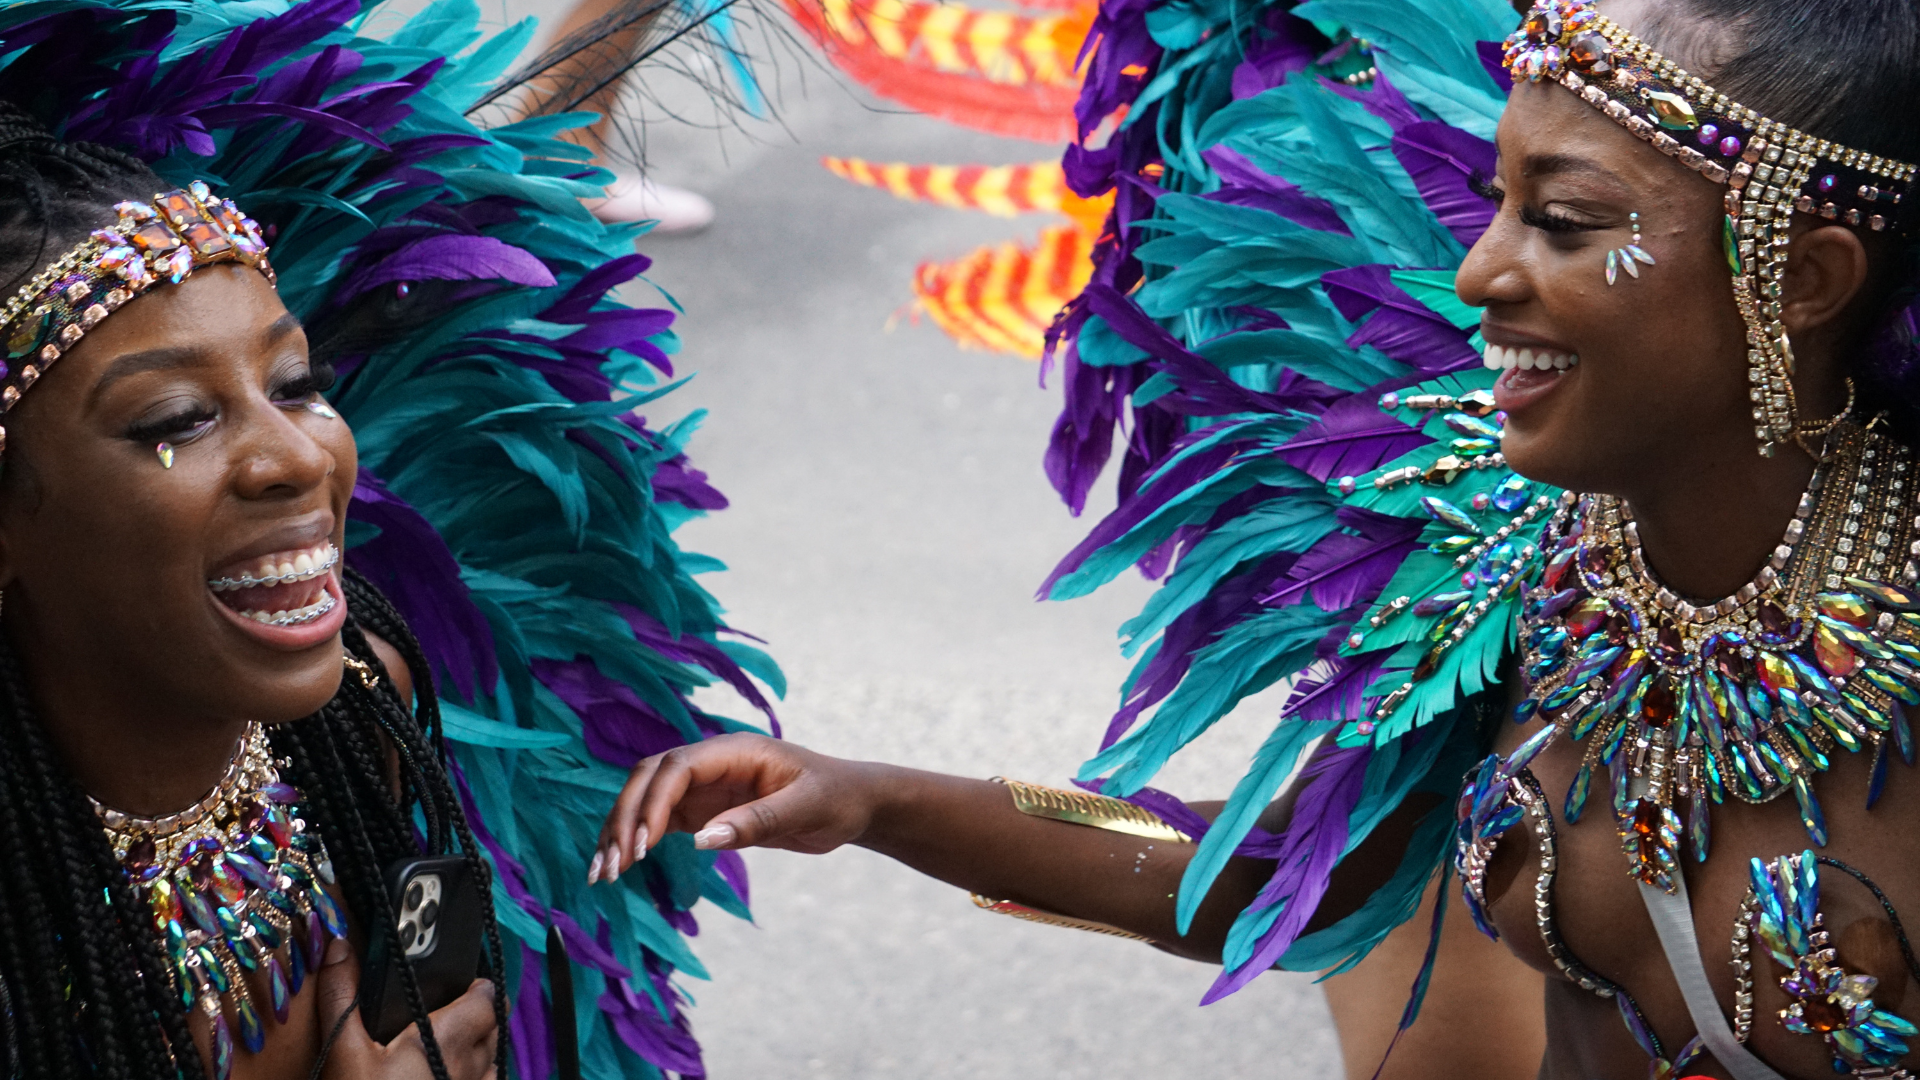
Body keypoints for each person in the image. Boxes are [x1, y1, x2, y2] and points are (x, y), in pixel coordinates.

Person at [589, 0, 1920, 1076]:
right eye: (1498, 202)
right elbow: (1283, 875)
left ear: (1799, 279)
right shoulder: (1533, 572)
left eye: (1562, 223)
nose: (1481, 273)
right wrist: (878, 801)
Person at [0, 0, 780, 1073]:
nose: (302, 459)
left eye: (297, 384)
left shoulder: (373, 706)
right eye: (177, 419)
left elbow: (438, 970)